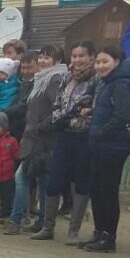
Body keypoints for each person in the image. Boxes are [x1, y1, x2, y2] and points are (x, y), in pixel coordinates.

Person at [2, 47, 68, 236]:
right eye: (41, 57)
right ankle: (39, 221)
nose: (42, 60)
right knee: (38, 181)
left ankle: (20, 220)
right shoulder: (42, 79)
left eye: (47, 57)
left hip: (43, 141)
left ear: (57, 59)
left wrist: (40, 127)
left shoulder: (54, 79)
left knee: (29, 179)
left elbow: (58, 109)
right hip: (33, 139)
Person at [83, 45, 130, 252]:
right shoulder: (108, 84)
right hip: (102, 146)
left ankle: (109, 237)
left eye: (105, 61)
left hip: (113, 148)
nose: (100, 66)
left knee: (107, 191)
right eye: (97, 62)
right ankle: (99, 233)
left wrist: (99, 132)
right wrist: (93, 112)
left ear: (116, 62)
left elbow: (121, 117)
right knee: (96, 190)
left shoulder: (121, 84)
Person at [41, 41, 96, 245]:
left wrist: (71, 119)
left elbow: (91, 111)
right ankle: (48, 227)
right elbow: (57, 105)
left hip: (83, 137)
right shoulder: (67, 77)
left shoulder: (96, 80)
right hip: (63, 135)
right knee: (54, 180)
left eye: (82, 56)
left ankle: (73, 231)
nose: (77, 60)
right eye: (74, 56)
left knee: (80, 183)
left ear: (91, 57)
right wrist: (60, 119)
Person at [4, 51, 38, 142]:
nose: (25, 71)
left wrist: (4, 113)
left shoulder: (37, 84)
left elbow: (23, 105)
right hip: (14, 126)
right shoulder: (20, 82)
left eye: (29, 68)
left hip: (26, 128)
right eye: (23, 68)